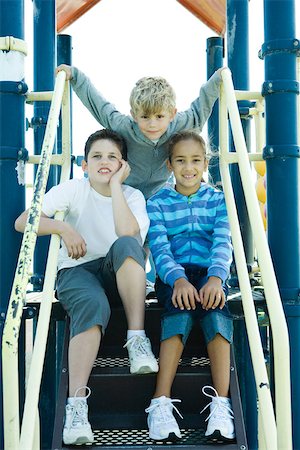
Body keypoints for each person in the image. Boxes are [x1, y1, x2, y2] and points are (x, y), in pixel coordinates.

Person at [15, 129, 158, 446]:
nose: (104, 162)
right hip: (77, 271)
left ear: (123, 165)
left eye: (112, 157)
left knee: (127, 245)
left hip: (117, 270)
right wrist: (62, 227)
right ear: (84, 163)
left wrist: (117, 187)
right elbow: (24, 220)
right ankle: (77, 407)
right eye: (97, 156)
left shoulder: (132, 196)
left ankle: (136, 338)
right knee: (93, 305)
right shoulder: (73, 190)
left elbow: (130, 237)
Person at [55, 64, 224, 295]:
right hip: (128, 191)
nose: (152, 124)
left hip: (159, 193)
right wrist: (76, 76)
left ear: (172, 114)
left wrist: (219, 77)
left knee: (159, 234)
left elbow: (202, 104)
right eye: (144, 117)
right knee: (132, 239)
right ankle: (137, 280)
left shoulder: (183, 123)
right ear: (134, 115)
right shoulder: (124, 126)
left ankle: (163, 279)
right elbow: (99, 106)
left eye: (159, 117)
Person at [145, 130, 235, 443]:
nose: (188, 167)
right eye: (181, 161)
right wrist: (178, 279)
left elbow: (223, 240)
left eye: (195, 160)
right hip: (174, 275)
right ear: (169, 165)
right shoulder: (157, 203)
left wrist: (216, 277)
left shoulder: (219, 200)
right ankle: (160, 401)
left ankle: (221, 404)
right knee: (180, 311)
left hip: (210, 273)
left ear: (205, 163)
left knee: (215, 313)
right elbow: (159, 247)